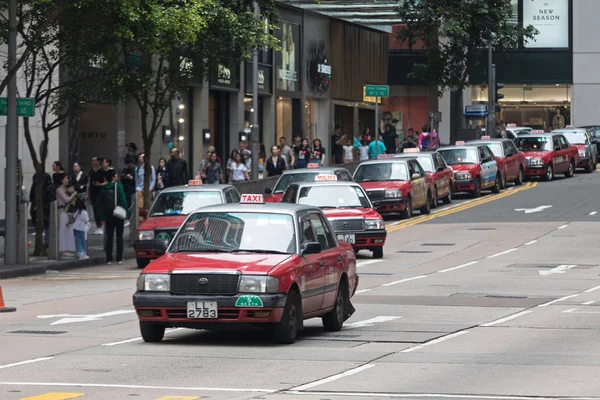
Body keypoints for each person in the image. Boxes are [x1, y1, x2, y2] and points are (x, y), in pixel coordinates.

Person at [100, 169, 128, 265]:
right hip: (118, 213)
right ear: (113, 177)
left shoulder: (103, 188)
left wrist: (102, 217)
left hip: (108, 214)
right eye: (115, 174)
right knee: (119, 236)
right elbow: (122, 199)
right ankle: (119, 258)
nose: (117, 175)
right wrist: (126, 212)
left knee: (109, 236)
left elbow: (101, 203)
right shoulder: (118, 185)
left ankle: (109, 258)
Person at [55, 173, 76, 256]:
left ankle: (68, 248)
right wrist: (73, 194)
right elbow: (66, 200)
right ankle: (62, 249)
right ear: (61, 180)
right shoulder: (59, 190)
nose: (67, 180)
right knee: (62, 230)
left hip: (67, 212)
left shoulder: (65, 189)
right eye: (66, 178)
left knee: (68, 230)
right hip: (62, 211)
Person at [87, 156, 106, 235]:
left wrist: (100, 184)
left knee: (99, 209)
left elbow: (106, 181)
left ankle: (100, 226)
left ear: (98, 162)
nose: (93, 162)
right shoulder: (91, 171)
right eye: (92, 160)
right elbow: (88, 182)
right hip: (93, 192)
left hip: (100, 192)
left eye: (94, 160)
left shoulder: (102, 171)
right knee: (94, 209)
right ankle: (98, 225)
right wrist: (87, 193)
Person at [121, 158, 136, 222]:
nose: (129, 165)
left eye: (130, 163)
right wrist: (126, 177)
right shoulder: (125, 170)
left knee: (131, 204)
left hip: (133, 189)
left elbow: (136, 180)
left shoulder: (135, 170)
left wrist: (131, 177)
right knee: (126, 203)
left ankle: (131, 217)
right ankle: (128, 216)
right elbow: (122, 178)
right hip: (126, 189)